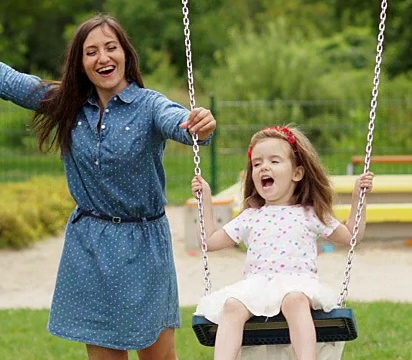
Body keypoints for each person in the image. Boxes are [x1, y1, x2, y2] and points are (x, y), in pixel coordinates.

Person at [0, 14, 216, 359]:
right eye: (91, 52)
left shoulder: (149, 105)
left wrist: (198, 126)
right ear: (80, 64)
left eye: (111, 48)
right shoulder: (67, 104)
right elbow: (11, 81)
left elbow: (178, 122)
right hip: (90, 245)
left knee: (159, 356)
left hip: (144, 244)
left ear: (126, 55)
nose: (103, 58)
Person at [190, 125, 374, 360]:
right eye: (257, 164)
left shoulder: (311, 214)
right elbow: (209, 241)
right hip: (257, 286)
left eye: (274, 161)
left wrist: (360, 196)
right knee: (233, 305)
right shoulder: (250, 215)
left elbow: (351, 236)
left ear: (297, 173)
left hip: (298, 283)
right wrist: (204, 198)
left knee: (294, 300)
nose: (263, 167)